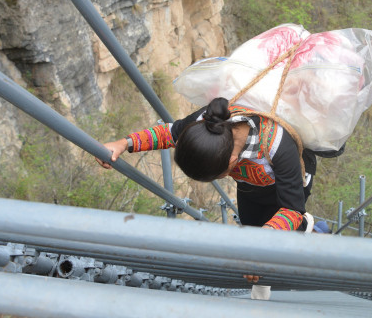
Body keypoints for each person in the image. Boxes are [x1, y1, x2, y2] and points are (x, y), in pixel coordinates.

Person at [96, 96, 344, 233]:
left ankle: (313, 230)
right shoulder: (207, 123)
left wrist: (265, 240)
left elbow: (291, 208)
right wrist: (123, 143)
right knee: (250, 227)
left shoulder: (278, 146)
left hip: (289, 180)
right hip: (250, 186)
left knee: (290, 225)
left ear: (232, 163)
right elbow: (171, 133)